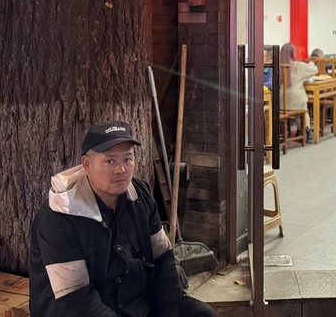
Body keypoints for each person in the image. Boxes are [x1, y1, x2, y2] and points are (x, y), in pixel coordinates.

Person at [29, 122, 218, 317]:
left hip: (137, 302)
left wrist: (168, 311)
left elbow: (163, 260)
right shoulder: (60, 215)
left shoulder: (140, 195)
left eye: (127, 159)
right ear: (87, 164)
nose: (121, 169)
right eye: (110, 161)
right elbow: (76, 300)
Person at [280, 43, 318, 141]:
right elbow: (314, 71)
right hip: (297, 101)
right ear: (293, 53)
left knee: (295, 105)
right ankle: (306, 131)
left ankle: (296, 131)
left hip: (280, 103)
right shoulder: (299, 65)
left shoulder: (277, 66)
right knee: (304, 110)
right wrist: (311, 63)